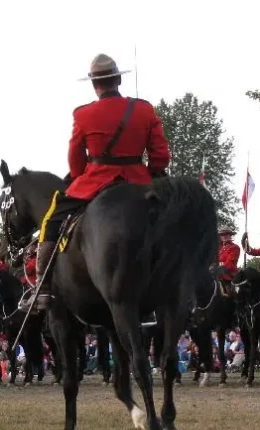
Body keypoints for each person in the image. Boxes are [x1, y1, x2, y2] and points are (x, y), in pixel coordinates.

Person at [34, 53, 170, 310]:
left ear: (95, 85)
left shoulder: (83, 114)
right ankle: (189, 287)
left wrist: (78, 176)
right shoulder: (143, 109)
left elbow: (75, 158)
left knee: (51, 219)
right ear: (118, 80)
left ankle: (43, 287)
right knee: (177, 218)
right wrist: (154, 172)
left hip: (93, 181)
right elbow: (160, 154)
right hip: (139, 181)